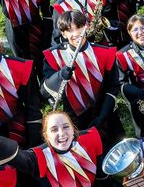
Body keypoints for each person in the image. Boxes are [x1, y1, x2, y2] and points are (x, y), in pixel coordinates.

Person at [42, 10, 123, 149]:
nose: (76, 34)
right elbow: (44, 91)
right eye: (69, 30)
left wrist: (102, 117)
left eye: (79, 27)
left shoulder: (105, 52)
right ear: (63, 33)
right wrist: (60, 75)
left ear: (86, 26)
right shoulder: (53, 55)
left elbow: (113, 87)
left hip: (104, 111)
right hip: (74, 116)